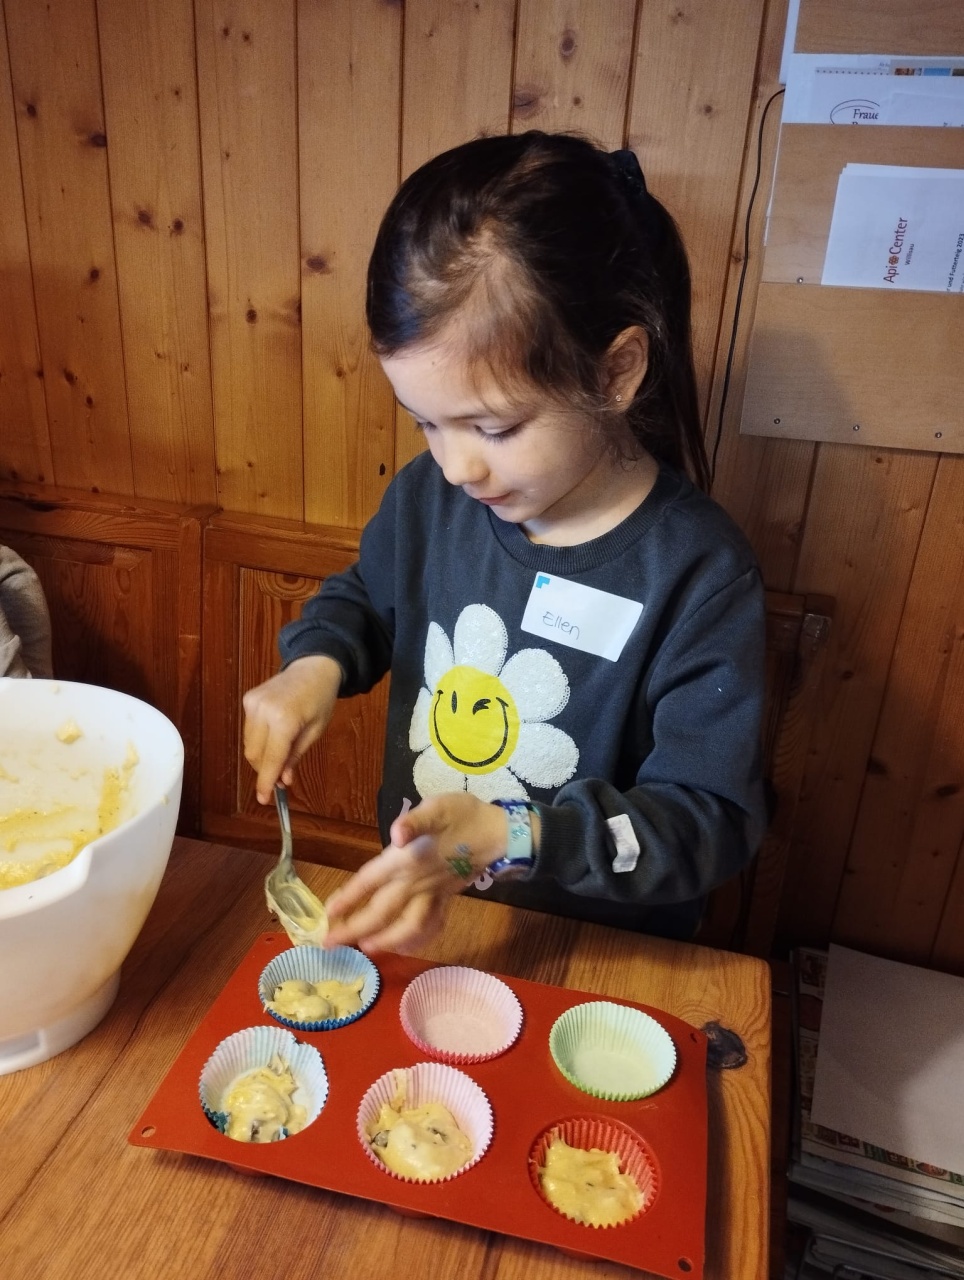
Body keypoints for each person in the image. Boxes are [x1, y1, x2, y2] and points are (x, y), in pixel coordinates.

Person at [243, 131, 767, 955]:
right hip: (437, 918)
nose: (457, 466)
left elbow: (708, 822)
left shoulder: (698, 573)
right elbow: (367, 597)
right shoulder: (431, 498)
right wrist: (316, 664)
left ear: (615, 373)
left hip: (601, 952)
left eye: (493, 427)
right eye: (426, 422)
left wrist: (513, 836)